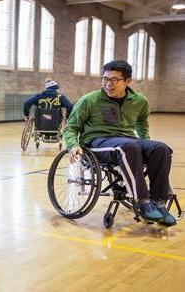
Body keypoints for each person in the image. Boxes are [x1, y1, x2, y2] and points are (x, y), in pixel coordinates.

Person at [63, 59, 176, 227]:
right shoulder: (89, 100)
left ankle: (159, 203)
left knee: (161, 148)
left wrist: (146, 142)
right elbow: (70, 127)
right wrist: (73, 145)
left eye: (114, 80)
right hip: (97, 143)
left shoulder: (139, 100)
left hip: (127, 141)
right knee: (128, 147)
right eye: (105, 79)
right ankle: (142, 201)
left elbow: (142, 122)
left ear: (128, 81)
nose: (108, 84)